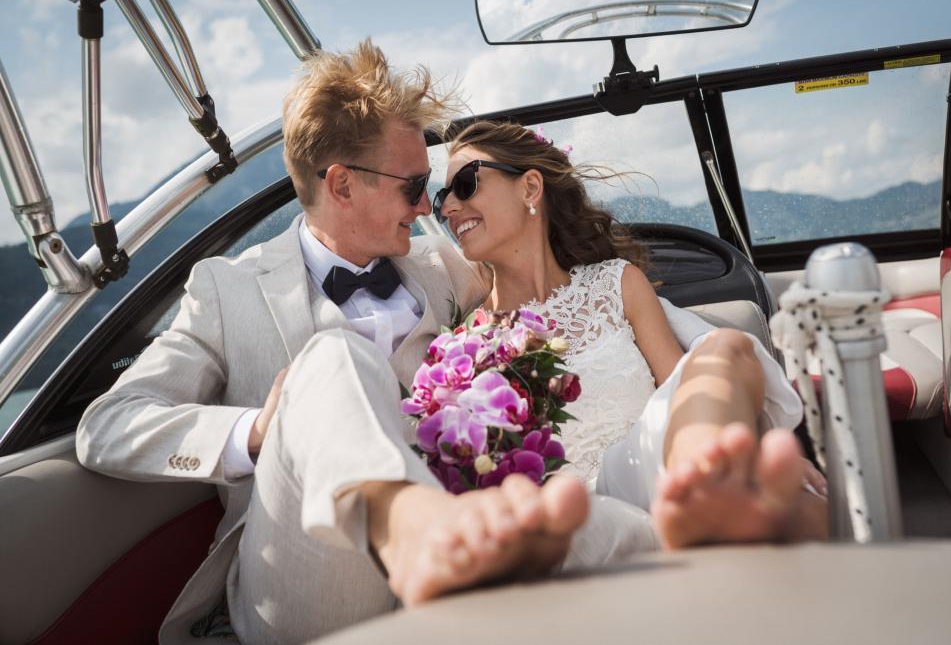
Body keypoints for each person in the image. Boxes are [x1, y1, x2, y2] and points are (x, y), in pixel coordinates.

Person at [76, 42, 594, 645]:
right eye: (413, 186)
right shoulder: (226, 289)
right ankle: (410, 527)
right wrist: (256, 431)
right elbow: (107, 425)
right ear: (342, 185)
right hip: (311, 579)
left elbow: (550, 293)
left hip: (471, 540)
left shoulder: (446, 269)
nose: (429, 206)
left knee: (604, 512)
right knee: (333, 357)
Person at [438, 120, 828, 547]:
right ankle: (711, 498)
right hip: (580, 509)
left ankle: (706, 493)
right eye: (443, 196)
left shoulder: (616, 283)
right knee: (787, 504)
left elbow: (684, 385)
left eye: (465, 184)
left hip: (661, 459)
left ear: (531, 188)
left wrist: (758, 438)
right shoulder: (467, 346)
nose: (448, 208)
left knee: (731, 350)